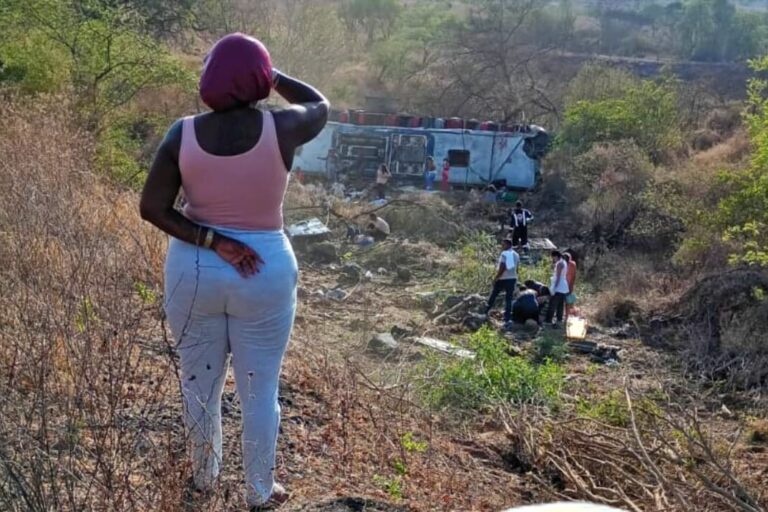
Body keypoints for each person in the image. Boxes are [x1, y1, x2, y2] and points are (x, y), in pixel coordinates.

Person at [139, 33, 329, 510]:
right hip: (263, 270)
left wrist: (213, 240)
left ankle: (203, 480)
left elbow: (152, 207)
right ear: (258, 80)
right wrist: (271, 74)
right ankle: (259, 493)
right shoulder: (281, 127)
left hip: (194, 268)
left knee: (198, 383)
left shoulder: (181, 133)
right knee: (259, 390)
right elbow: (320, 103)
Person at [484, 239, 520, 326]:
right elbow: (517, 268)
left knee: (493, 295)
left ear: (508, 245)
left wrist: (496, 277)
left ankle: (485, 311)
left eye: (503, 245)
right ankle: (507, 318)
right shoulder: (516, 254)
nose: (502, 246)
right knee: (509, 298)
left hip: (503, 278)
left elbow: (503, 267)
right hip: (512, 278)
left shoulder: (505, 253)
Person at [546, 250, 570, 327]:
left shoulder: (559, 263)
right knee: (560, 305)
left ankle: (548, 320)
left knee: (553, 304)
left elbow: (558, 277)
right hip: (564, 287)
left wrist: (554, 288)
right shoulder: (564, 262)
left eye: (553, 257)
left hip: (559, 286)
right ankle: (559, 320)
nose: (553, 259)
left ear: (556, 256)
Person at [563, 251, 578, 320]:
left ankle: (567, 316)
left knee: (569, 302)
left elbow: (574, 276)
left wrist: (571, 286)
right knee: (567, 302)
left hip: (568, 285)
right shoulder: (563, 264)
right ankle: (566, 316)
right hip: (564, 286)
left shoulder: (572, 264)